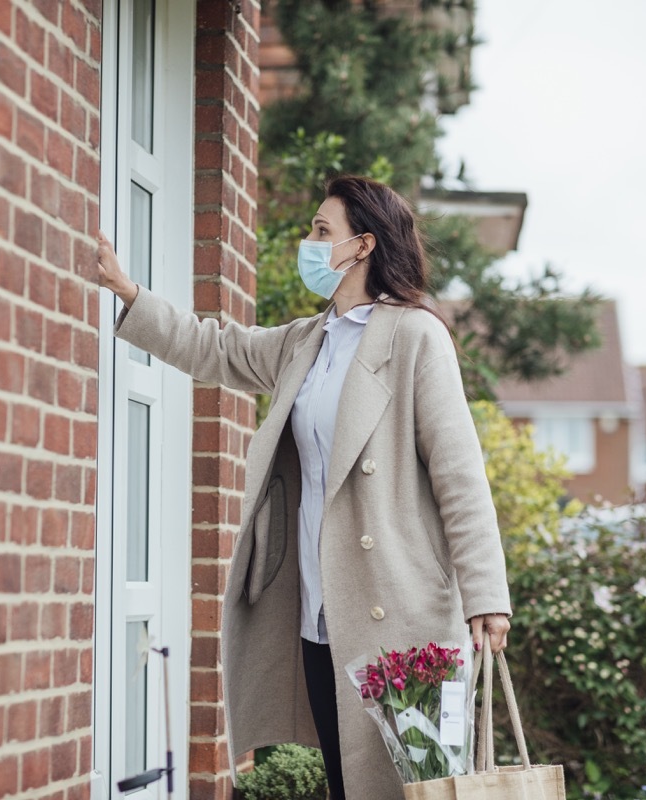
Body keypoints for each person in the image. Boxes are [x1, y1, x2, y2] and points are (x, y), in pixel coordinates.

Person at [97, 175, 512, 800]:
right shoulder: (305, 341)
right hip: (323, 614)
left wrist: (487, 596)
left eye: (323, 232)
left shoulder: (416, 338)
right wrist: (129, 293)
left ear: (362, 246)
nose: (308, 242)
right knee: (349, 784)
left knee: (418, 790)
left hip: (401, 618)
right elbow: (218, 350)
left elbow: (460, 474)